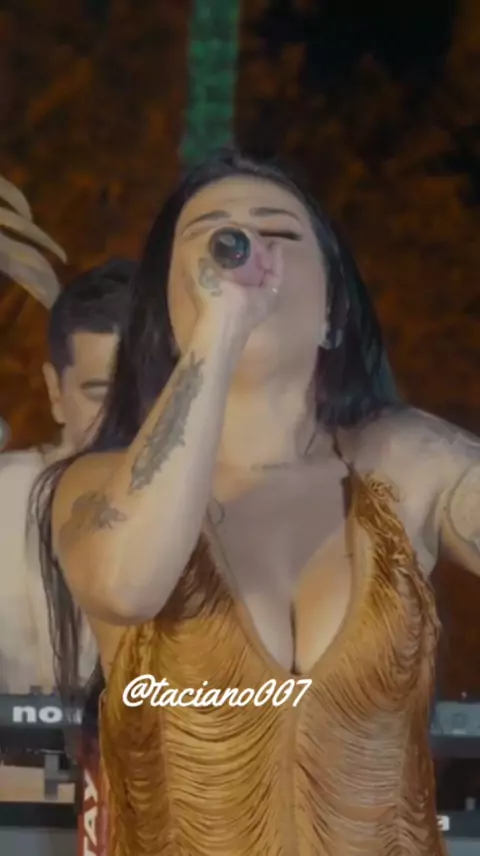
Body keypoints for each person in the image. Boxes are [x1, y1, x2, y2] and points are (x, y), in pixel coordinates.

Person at [35, 150, 479, 855]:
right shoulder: (98, 485)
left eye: (280, 233)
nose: (249, 255)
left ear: (333, 309)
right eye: (215, 238)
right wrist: (220, 330)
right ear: (167, 314)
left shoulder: (405, 464)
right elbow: (126, 582)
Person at [0, 257, 135, 695]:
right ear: (56, 392)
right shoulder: (6, 499)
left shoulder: (230, 507)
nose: (125, 420)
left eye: (147, 393)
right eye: (99, 395)